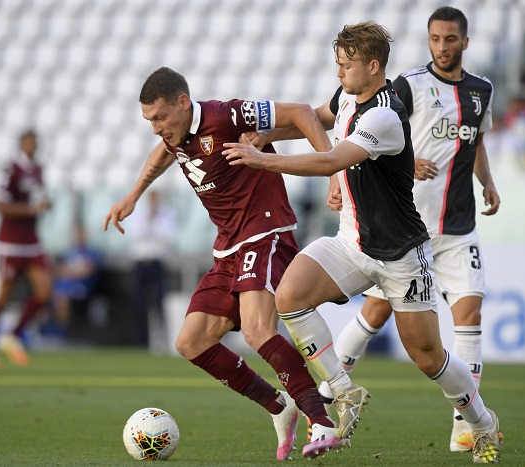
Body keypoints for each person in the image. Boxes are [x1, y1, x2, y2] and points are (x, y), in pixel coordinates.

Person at [223, 20, 503, 464]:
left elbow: (333, 158)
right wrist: (268, 136)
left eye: (345, 66)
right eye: (337, 65)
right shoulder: (350, 97)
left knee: (428, 358)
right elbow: (316, 118)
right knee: (290, 296)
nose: (338, 74)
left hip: (401, 256)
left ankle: (483, 424)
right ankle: (343, 391)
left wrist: (263, 162)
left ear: (373, 67)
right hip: (352, 243)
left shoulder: (385, 116)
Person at [104, 67, 367, 460]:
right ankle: (280, 406)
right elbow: (164, 153)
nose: (156, 128)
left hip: (264, 230)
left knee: (259, 330)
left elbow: (298, 113)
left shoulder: (225, 115)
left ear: (182, 102)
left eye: (159, 117)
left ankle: (321, 417)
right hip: (228, 244)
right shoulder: (174, 135)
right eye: (149, 121)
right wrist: (134, 194)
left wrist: (332, 168)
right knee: (191, 342)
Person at [303, 6, 502, 455]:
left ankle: (469, 425)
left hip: (451, 228)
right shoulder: (408, 85)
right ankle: (337, 391)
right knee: (370, 315)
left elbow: (474, 139)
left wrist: (487, 181)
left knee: (457, 327)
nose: (443, 46)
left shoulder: (480, 91)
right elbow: (378, 132)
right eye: (435, 38)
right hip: (395, 224)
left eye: (451, 39)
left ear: (464, 42)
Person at [0, 130, 52, 367]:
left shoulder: (38, 170)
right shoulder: (11, 169)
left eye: (35, 143)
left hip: (32, 241)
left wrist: (46, 205)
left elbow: (37, 199)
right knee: (5, 295)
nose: (32, 147)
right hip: (11, 243)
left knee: (44, 292)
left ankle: (11, 336)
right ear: (21, 144)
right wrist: (31, 210)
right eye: (29, 143)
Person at [126, 189, 177, 348]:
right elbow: (135, 234)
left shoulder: (167, 213)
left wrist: (153, 227)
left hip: (157, 263)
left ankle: (161, 341)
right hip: (141, 263)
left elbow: (169, 237)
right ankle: (141, 341)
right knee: (139, 303)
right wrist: (150, 222)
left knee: (160, 302)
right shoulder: (138, 212)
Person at [49, 222, 103, 337]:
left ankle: (63, 333)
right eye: (77, 234)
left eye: (81, 234)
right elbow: (62, 269)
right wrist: (72, 271)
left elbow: (89, 270)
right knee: (50, 294)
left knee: (63, 297)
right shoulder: (71, 252)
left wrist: (72, 272)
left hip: (83, 287)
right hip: (65, 285)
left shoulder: (92, 252)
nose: (79, 236)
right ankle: (50, 330)